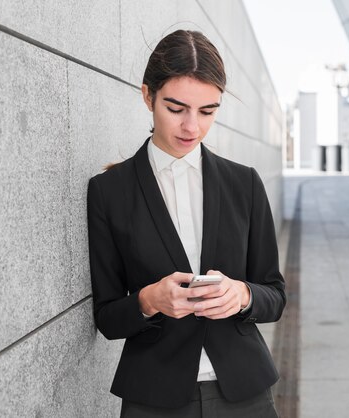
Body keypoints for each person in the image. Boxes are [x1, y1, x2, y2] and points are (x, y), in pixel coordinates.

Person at [87, 29, 285, 417]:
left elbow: (274, 295)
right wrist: (149, 300)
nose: (192, 127)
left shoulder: (243, 183)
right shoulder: (109, 191)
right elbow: (107, 317)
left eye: (207, 111)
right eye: (176, 109)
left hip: (244, 392)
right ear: (148, 96)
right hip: (153, 396)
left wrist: (242, 294)